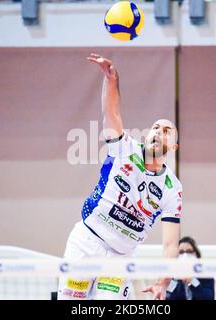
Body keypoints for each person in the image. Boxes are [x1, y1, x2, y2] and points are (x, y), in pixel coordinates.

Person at [57, 53, 183, 300]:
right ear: (147, 135)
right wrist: (110, 79)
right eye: (156, 127)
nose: (159, 131)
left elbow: (170, 245)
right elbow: (111, 113)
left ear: (174, 146)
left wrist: (162, 282)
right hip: (86, 242)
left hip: (120, 258)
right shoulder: (125, 148)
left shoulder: (173, 189)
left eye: (167, 130)